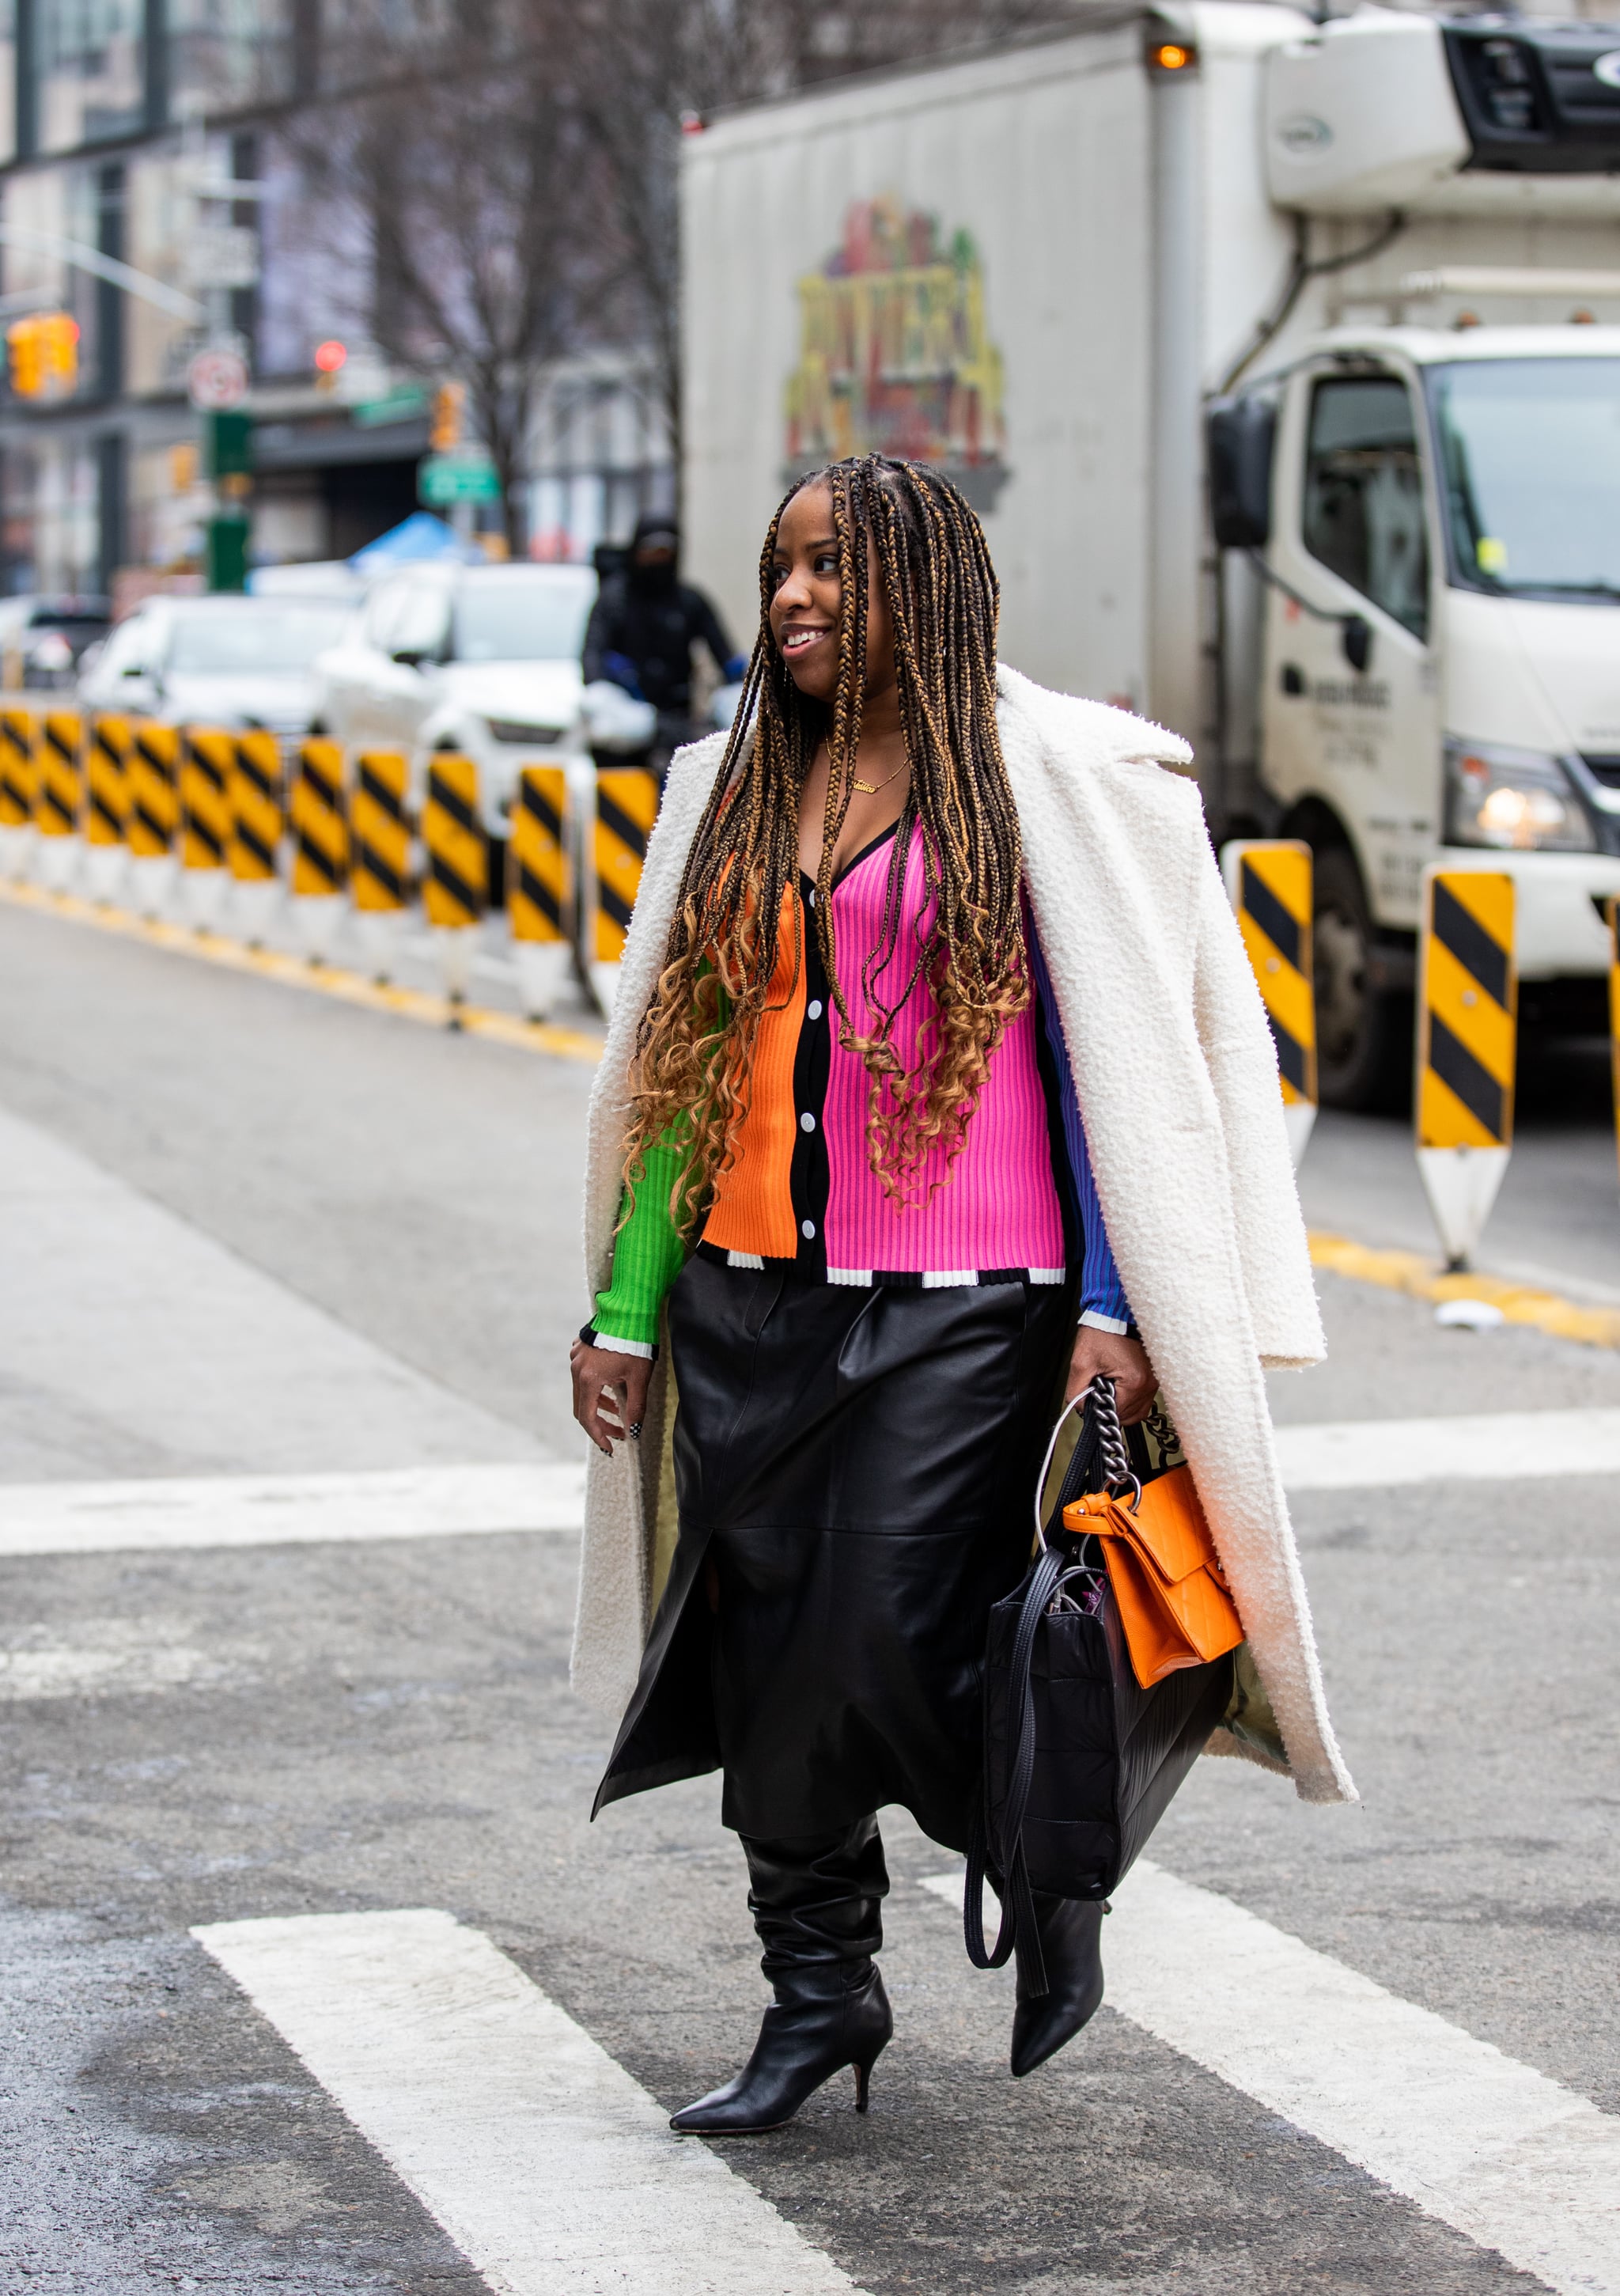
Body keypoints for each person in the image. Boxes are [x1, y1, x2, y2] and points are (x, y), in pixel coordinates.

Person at [570, 454, 1353, 2136]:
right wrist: (627, 1305)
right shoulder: (728, 786)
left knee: (885, 1635)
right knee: (761, 1657)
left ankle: (1054, 1858)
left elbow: (1120, 1080)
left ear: (920, 590)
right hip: (743, 1298)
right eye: (780, 567)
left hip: (961, 1307)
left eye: (833, 571)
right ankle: (818, 1990)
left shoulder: (1039, 789)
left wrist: (1117, 1300)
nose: (791, 600)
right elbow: (676, 1074)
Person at [581, 511, 745, 767]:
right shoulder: (613, 602)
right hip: (629, 722)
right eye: (652, 552)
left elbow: (725, 656)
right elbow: (591, 659)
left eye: (665, 553)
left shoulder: (690, 602)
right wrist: (610, 680)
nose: (659, 561)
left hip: (680, 721)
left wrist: (739, 681)